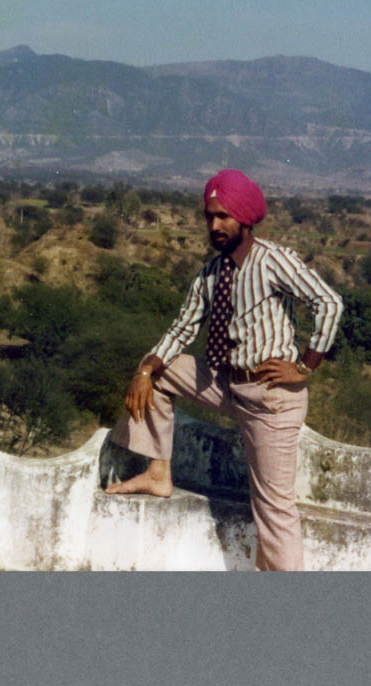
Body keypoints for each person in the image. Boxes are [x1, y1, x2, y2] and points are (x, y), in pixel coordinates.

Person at [104, 169, 343, 571]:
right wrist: (144, 370)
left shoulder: (273, 261)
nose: (214, 225)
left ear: (244, 219)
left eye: (224, 216)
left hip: (270, 399)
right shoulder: (211, 274)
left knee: (273, 511)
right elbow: (182, 328)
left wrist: (305, 365)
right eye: (209, 216)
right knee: (159, 373)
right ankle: (158, 471)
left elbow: (329, 303)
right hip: (227, 384)